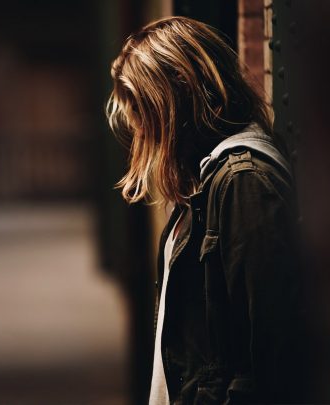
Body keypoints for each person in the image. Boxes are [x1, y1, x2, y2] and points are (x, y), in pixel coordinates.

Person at [105, 16, 308, 404]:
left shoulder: (243, 182)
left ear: (177, 96)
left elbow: (271, 357)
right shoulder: (207, 181)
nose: (141, 133)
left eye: (145, 114)